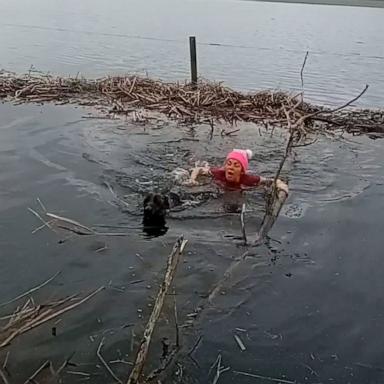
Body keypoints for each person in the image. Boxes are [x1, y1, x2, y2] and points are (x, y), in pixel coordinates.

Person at [184, 149, 289, 196]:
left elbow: (272, 181)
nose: (231, 167)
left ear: (242, 171)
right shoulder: (219, 173)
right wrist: (192, 179)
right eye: (229, 163)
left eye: (236, 165)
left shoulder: (248, 179)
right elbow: (198, 169)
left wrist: (280, 185)